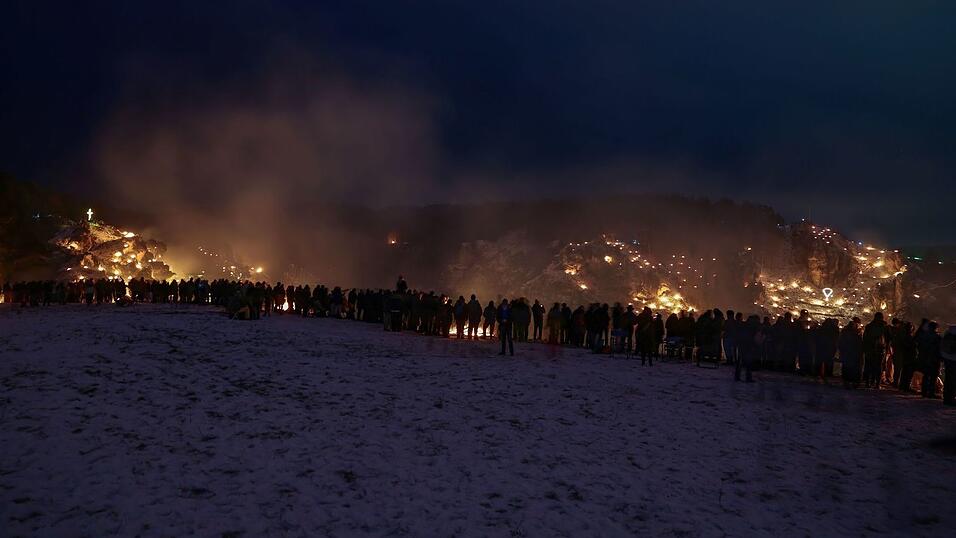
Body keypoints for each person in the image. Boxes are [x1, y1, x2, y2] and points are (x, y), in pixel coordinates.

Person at [862, 312, 890, 389]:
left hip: (870, 350)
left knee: (869, 366)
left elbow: (865, 338)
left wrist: (865, 348)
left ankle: (868, 382)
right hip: (879, 350)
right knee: (878, 367)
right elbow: (888, 338)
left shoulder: (869, 326)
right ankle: (877, 383)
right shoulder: (884, 327)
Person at [918, 321, 941, 398]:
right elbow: (940, 348)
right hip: (934, 359)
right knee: (933, 377)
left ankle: (924, 392)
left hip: (925, 358)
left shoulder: (924, 336)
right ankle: (931, 392)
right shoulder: (937, 337)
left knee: (926, 375)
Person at [839, 318, 863, 389]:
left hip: (847, 352)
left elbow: (841, 342)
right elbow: (858, 343)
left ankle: (846, 381)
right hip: (853, 353)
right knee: (852, 368)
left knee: (847, 367)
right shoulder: (854, 333)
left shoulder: (845, 331)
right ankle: (852, 381)